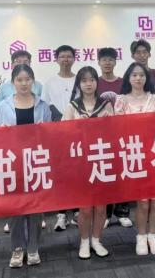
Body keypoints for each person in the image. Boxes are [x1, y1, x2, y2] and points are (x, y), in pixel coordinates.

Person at [0, 64, 51, 267]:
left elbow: (50, 135)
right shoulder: (3, 106)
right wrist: (1, 131)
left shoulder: (43, 105)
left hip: (36, 161)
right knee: (15, 206)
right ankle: (17, 249)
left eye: (28, 79)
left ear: (33, 81)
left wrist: (44, 131)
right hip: (12, 161)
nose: (24, 83)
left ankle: (33, 247)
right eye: (19, 80)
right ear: (13, 83)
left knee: (35, 206)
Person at [62, 66, 114, 259]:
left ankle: (96, 240)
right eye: (84, 80)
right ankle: (84, 242)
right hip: (81, 163)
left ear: (97, 83)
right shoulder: (72, 107)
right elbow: (62, 134)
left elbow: (117, 133)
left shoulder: (106, 105)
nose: (88, 84)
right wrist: (76, 126)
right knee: (84, 207)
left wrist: (109, 122)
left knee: (101, 206)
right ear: (79, 84)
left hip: (102, 160)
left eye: (92, 80)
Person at [115, 62, 155, 255]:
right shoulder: (121, 100)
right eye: (134, 75)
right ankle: (141, 236)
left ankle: (153, 235)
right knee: (142, 201)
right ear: (128, 78)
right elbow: (117, 129)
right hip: (134, 154)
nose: (138, 78)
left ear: (147, 78)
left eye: (141, 75)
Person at [42, 45, 78, 230]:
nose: (65, 59)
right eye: (62, 56)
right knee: (61, 173)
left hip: (77, 132)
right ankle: (61, 214)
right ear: (56, 59)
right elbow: (46, 106)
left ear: (74, 59)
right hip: (58, 133)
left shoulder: (80, 79)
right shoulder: (50, 82)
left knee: (78, 172)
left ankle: (78, 210)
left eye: (69, 56)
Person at [97, 47, 133, 228]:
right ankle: (105, 214)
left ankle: (122, 212)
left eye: (110, 59)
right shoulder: (94, 82)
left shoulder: (123, 83)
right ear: (99, 62)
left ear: (115, 62)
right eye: (104, 59)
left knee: (123, 173)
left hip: (122, 134)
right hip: (101, 137)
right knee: (105, 174)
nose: (107, 62)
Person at [130, 39, 155, 108]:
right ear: (132, 56)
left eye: (145, 52)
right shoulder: (129, 77)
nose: (142, 55)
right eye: (138, 53)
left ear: (149, 54)